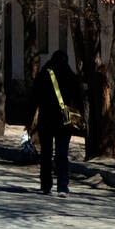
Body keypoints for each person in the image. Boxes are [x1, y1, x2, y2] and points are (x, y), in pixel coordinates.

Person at [26, 49, 81, 197]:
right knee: (62, 154)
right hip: (65, 121)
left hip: (46, 120)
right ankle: (63, 187)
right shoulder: (70, 76)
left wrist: (28, 120)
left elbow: (33, 99)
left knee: (46, 154)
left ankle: (46, 185)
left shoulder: (43, 75)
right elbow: (79, 98)